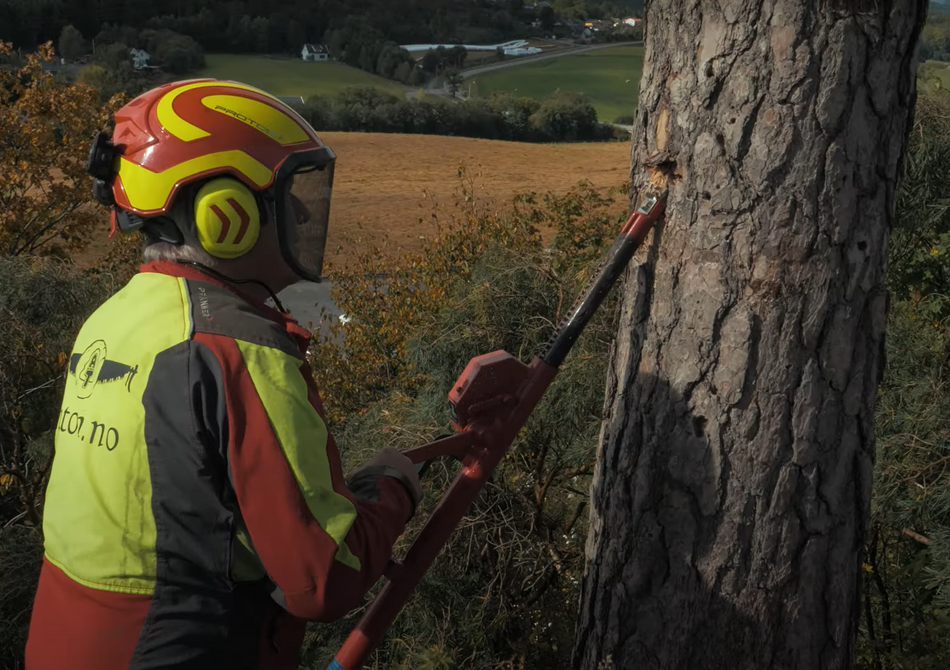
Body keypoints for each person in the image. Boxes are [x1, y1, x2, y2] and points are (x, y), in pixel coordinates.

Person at [24, 79, 424, 670]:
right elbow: (322, 579)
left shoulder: (114, 318)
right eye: (286, 194)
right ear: (224, 214)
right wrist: (392, 487)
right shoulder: (237, 347)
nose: (303, 211)